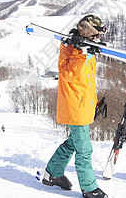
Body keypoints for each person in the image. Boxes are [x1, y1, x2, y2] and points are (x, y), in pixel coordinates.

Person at [42, 15, 108, 198]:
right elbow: (68, 73)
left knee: (73, 142)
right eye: (97, 34)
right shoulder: (72, 49)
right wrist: (81, 52)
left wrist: (93, 104)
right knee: (84, 149)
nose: (99, 38)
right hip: (75, 107)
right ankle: (89, 188)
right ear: (88, 32)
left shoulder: (86, 49)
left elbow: (86, 82)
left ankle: (52, 174)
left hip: (83, 105)